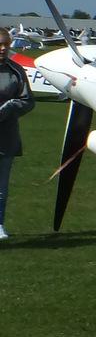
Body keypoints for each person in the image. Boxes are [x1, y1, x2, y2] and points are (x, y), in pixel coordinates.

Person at [0, 29, 36, 240]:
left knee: (1, 186)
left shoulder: (16, 71)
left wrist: (9, 108)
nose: (3, 48)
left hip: (6, 135)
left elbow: (28, 101)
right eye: (0, 44)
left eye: (6, 44)